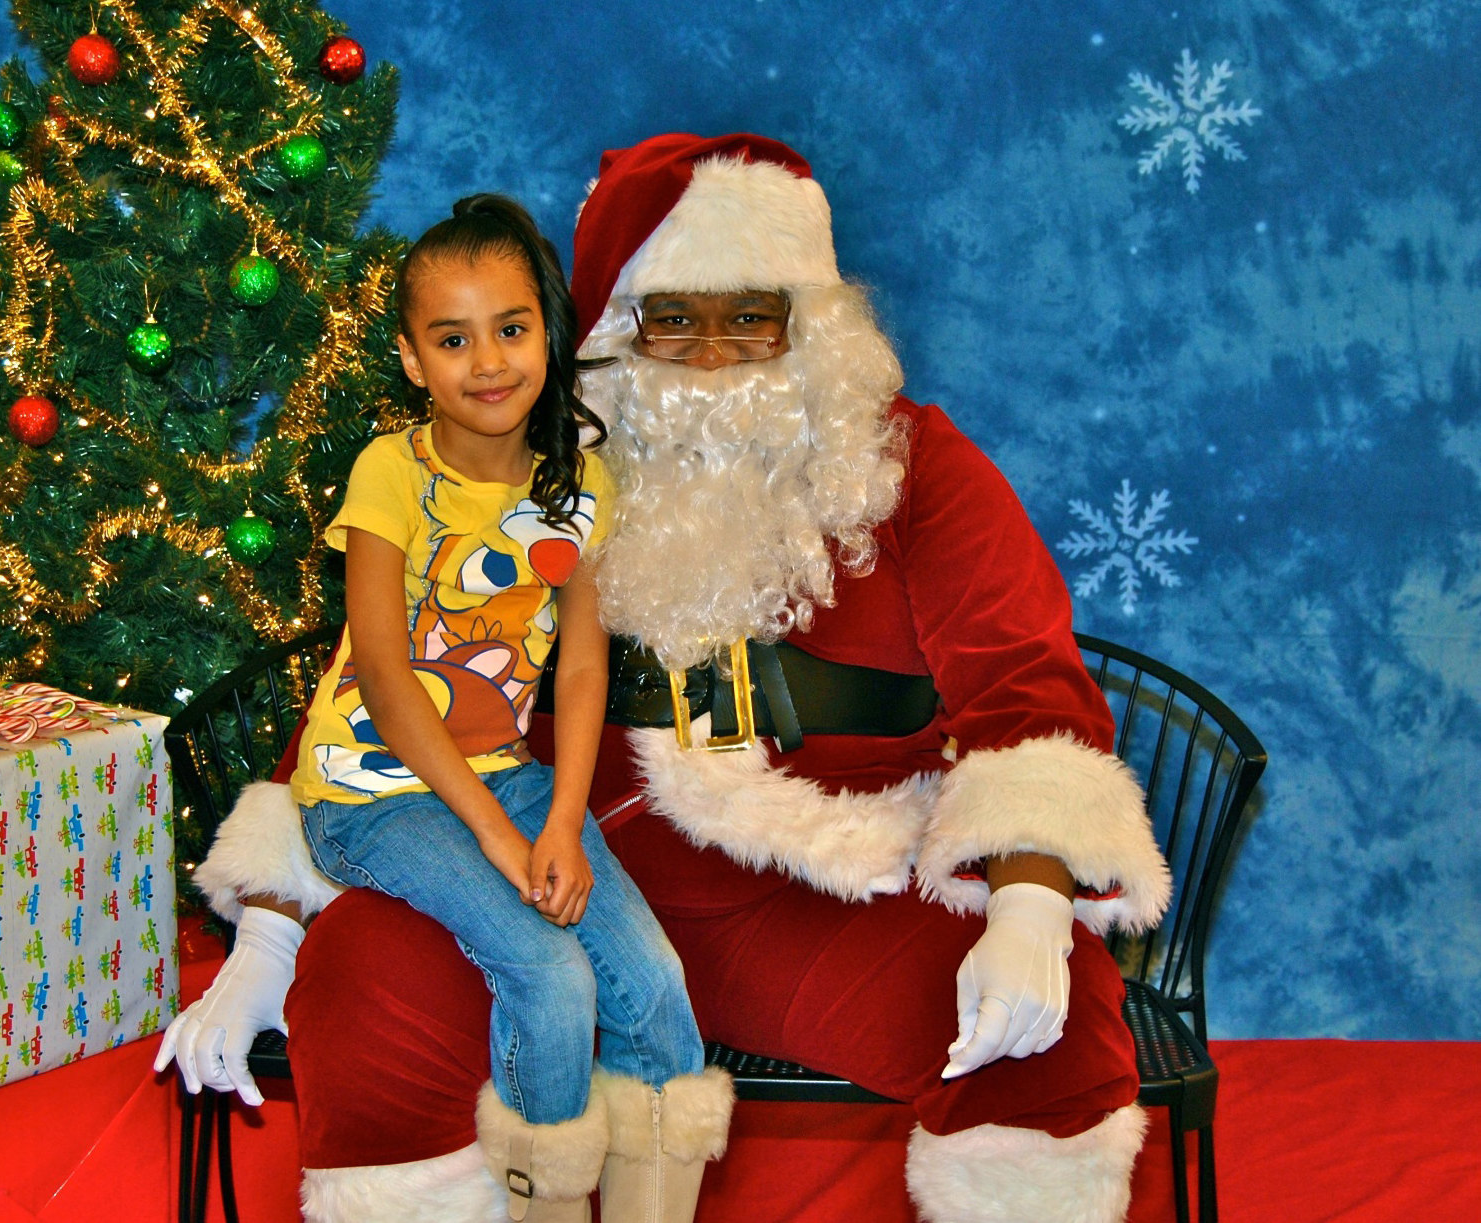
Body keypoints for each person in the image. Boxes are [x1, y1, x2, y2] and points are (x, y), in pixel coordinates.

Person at [167, 135, 1172, 1223]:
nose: (708, 356)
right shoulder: (518, 472)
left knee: (1049, 1037)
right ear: (608, 335)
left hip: (817, 885)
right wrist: (271, 927)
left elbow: (1024, 685)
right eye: (671, 318)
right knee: (370, 976)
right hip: (554, 867)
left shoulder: (911, 467)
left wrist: (1026, 898)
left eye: (749, 314)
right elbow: (375, 683)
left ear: (810, 323)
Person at [158, 193, 731, 1223]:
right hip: (366, 793)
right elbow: (382, 673)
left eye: (510, 328)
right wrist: (503, 846)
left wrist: (557, 822)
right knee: (551, 979)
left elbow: (584, 670)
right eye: (451, 338)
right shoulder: (389, 472)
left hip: (507, 776)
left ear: (545, 334)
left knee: (648, 979)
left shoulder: (577, 488)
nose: (488, 360)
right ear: (413, 359)